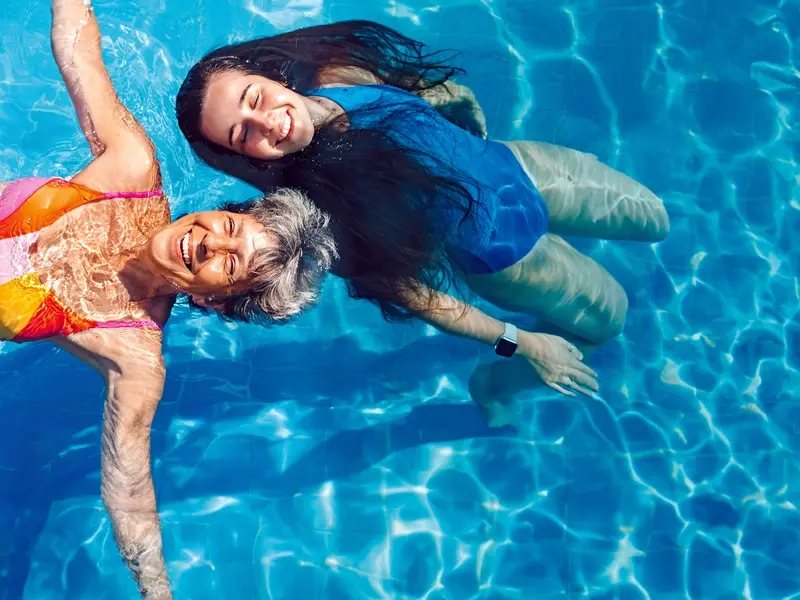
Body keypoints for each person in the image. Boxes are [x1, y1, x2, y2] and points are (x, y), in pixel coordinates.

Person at [1, 1, 336, 597]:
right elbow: (79, 55)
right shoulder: (130, 169)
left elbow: (129, 489)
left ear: (213, 302)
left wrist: (157, 590)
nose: (210, 245)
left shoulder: (134, 358)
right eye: (230, 230)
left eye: (229, 269)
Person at [175, 20, 670, 401]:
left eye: (253, 97)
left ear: (268, 76)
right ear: (245, 157)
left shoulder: (338, 75)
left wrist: (463, 114)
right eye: (243, 134)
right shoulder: (326, 209)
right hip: (506, 257)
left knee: (655, 219)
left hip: (518, 164)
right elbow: (421, 298)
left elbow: (426, 94)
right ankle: (496, 385)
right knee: (610, 323)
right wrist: (523, 345)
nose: (267, 122)